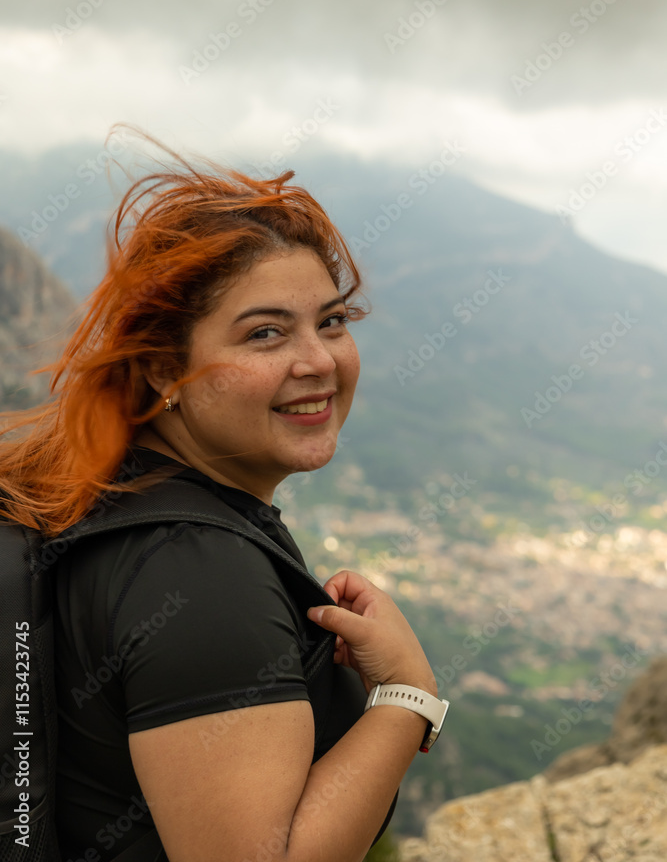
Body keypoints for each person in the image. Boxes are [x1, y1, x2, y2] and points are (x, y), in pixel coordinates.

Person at [0, 128, 440, 862]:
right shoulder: (198, 573)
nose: (317, 361)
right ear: (164, 369)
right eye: (265, 334)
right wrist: (406, 695)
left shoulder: (103, 496)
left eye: (331, 322)